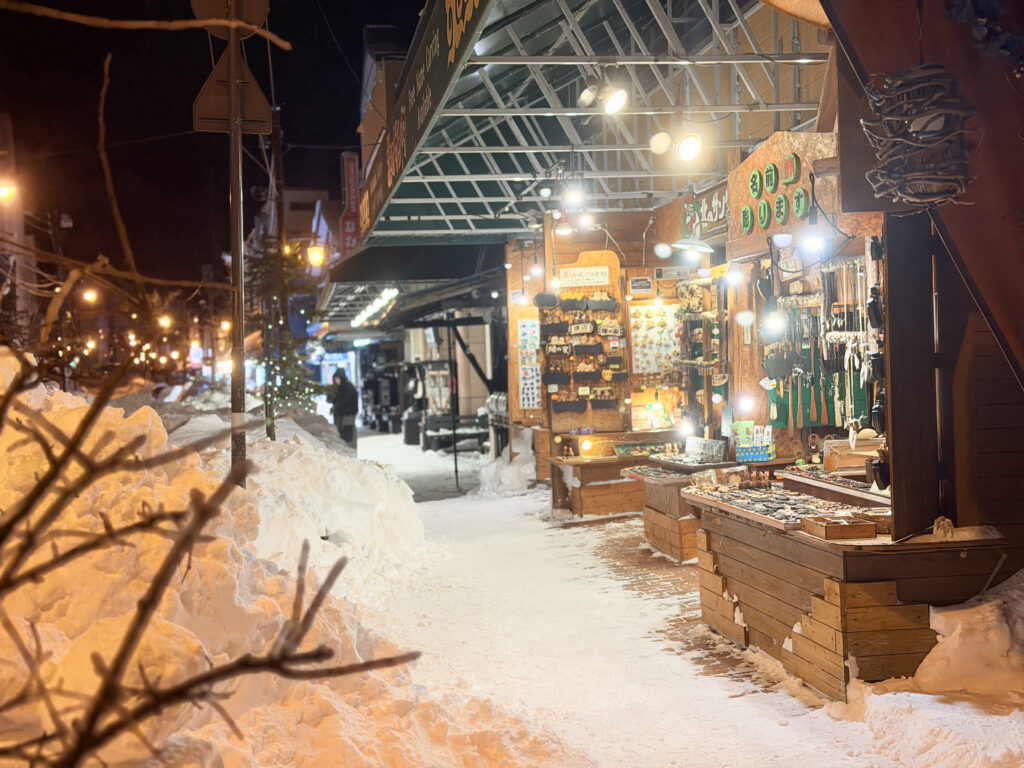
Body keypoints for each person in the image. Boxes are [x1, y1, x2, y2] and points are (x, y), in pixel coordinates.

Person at [331, 369, 359, 448]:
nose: (336, 381)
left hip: (348, 414)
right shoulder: (340, 387)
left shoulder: (348, 386)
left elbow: (345, 400)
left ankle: (350, 449)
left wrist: (336, 406)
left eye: (337, 378)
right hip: (342, 414)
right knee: (343, 433)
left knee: (348, 434)